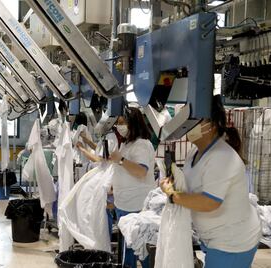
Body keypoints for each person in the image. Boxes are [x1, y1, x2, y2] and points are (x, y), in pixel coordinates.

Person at [160, 95, 261, 268]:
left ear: (212, 125)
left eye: (195, 120)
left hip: (232, 243)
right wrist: (172, 183)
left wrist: (173, 195)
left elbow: (209, 202)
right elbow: (193, 186)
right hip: (214, 237)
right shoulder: (195, 151)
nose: (189, 126)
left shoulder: (221, 157)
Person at [108, 107, 155, 268]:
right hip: (124, 204)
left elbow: (141, 171)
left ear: (132, 123)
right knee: (128, 251)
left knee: (141, 250)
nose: (119, 127)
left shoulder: (142, 144)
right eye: (118, 124)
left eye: (122, 123)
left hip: (136, 207)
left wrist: (120, 160)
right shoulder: (127, 144)